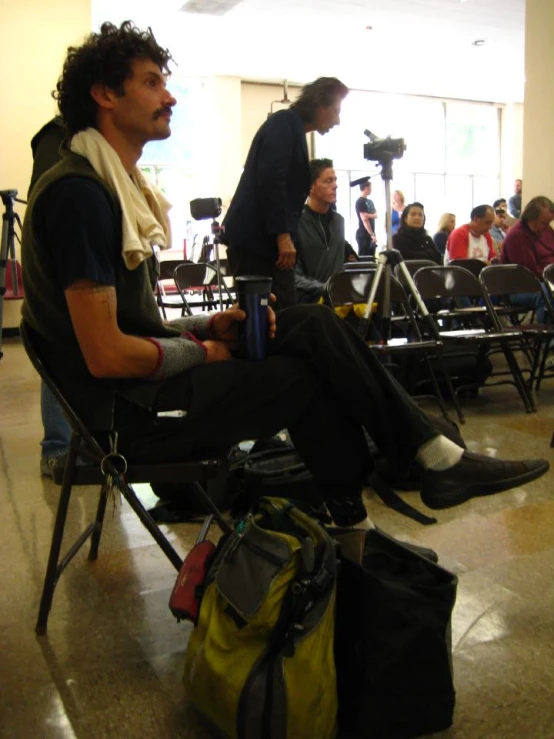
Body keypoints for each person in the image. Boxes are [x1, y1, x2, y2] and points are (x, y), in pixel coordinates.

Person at [21, 21, 548, 531]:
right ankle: (369, 516)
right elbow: (107, 354)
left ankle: (422, 462)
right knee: (309, 378)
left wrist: (208, 327)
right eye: (152, 82)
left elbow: (136, 328)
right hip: (126, 420)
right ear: (105, 95)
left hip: (143, 394)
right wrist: (204, 351)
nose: (170, 96)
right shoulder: (82, 195)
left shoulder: (112, 188)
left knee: (307, 325)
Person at [222, 77, 349, 311]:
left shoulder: (292, 128)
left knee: (279, 316)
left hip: (262, 242)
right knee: (268, 319)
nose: (337, 120)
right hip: (257, 242)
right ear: (320, 105)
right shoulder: (284, 124)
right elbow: (271, 180)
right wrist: (283, 236)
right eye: (336, 111)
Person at [27, 116, 72, 477]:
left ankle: (84, 445)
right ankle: (56, 449)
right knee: (60, 357)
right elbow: (49, 206)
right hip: (62, 275)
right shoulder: (56, 137)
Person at [294, 158, 357, 304]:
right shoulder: (297, 223)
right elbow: (293, 278)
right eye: (328, 181)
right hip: (310, 298)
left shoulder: (338, 222)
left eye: (335, 180)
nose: (335, 186)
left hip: (338, 297)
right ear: (310, 187)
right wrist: (325, 288)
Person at [500, 196, 554, 322]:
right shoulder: (518, 236)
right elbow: (530, 274)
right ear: (531, 218)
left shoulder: (547, 231)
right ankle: (548, 339)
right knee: (547, 294)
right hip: (521, 288)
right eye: (544, 223)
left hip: (547, 281)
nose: (547, 227)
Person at [352, 176, 377, 257]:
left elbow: (376, 215)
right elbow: (364, 219)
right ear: (366, 188)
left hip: (370, 234)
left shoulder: (370, 201)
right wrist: (371, 234)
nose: (371, 189)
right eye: (370, 187)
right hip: (363, 234)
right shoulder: (360, 202)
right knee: (364, 258)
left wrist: (369, 215)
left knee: (371, 257)